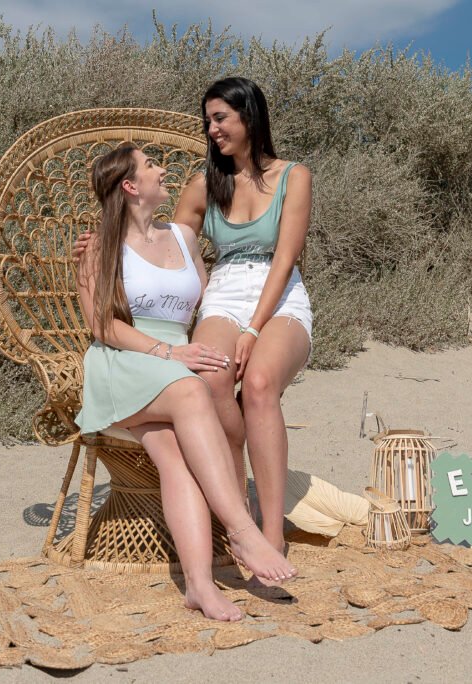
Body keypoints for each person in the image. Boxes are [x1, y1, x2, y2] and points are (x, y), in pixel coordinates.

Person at [76, 77, 313, 563]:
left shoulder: (294, 177)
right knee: (213, 377)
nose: (212, 129)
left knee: (260, 384)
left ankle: (271, 533)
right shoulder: (205, 184)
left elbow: (286, 257)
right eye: (208, 120)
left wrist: (253, 329)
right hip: (224, 293)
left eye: (220, 118)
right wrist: (100, 239)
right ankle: (238, 508)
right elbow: (157, 239)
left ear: (250, 115)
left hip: (278, 294)